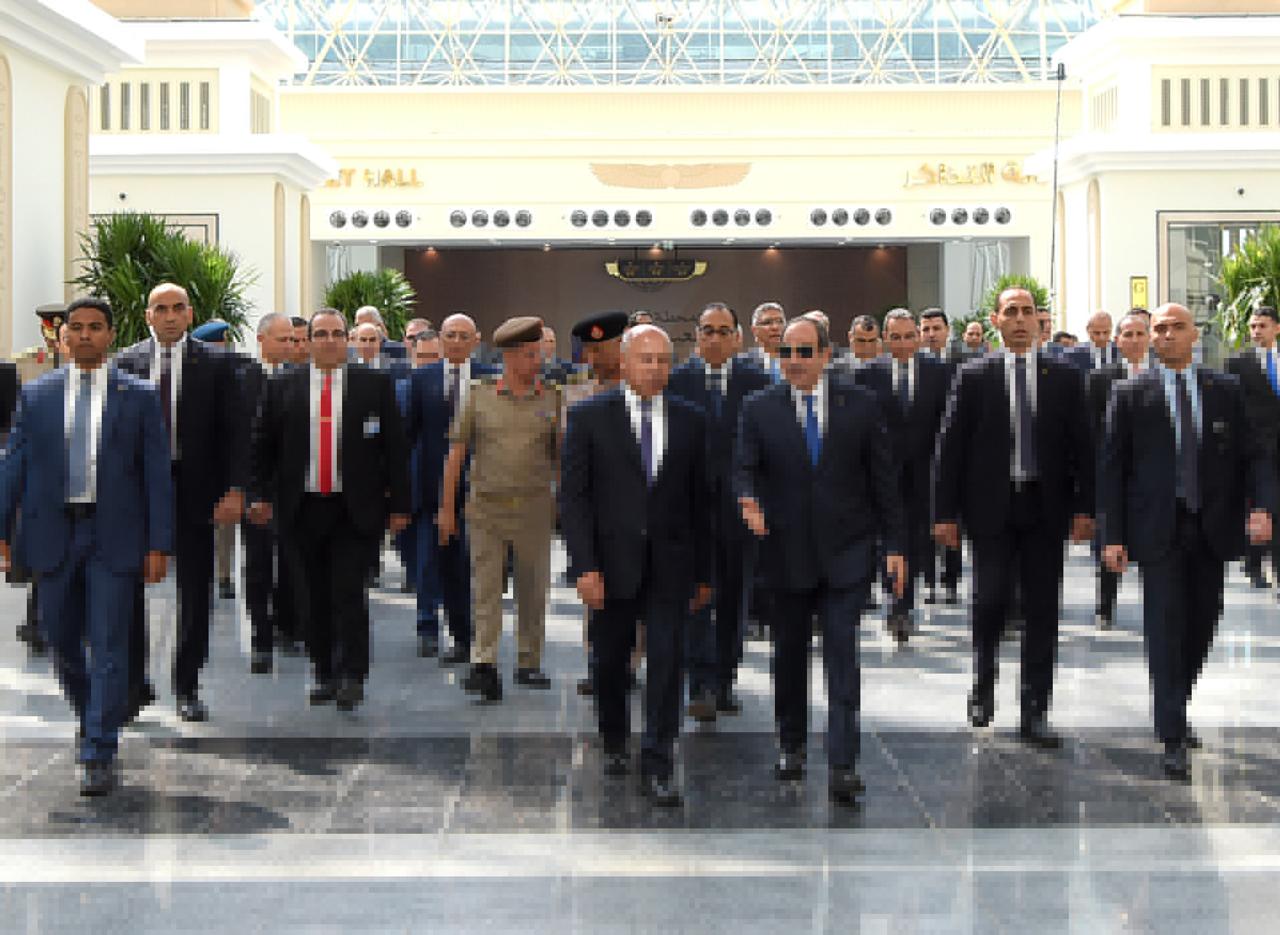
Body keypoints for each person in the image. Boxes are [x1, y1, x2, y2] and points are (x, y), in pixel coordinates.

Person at [0, 297, 173, 795]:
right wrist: (2, 531)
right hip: (53, 533)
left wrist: (158, 543)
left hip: (113, 535)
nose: (84, 335)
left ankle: (99, 748)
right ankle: (91, 713)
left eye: (95, 327)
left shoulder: (138, 396)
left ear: (110, 335)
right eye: (75, 328)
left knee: (111, 642)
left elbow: (156, 474)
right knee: (58, 638)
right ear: (62, 337)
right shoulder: (38, 395)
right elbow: (14, 466)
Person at [1100, 303, 1275, 780]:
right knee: (1164, 626)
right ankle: (1172, 733)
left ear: (1195, 335)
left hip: (1211, 527)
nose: (1168, 335)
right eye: (1160, 329)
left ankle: (1178, 699)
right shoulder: (1130, 394)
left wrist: (1261, 507)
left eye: (1177, 327)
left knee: (1202, 623)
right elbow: (1112, 468)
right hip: (1158, 528)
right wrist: (1112, 535)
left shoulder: (1225, 390)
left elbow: (1254, 454)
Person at [735, 316, 905, 805]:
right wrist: (747, 499)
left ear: (826, 355)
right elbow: (743, 468)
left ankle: (843, 762)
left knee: (842, 656)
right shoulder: (758, 407)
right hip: (786, 552)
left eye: (805, 352)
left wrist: (895, 546)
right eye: (787, 352)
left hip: (847, 552)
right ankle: (791, 744)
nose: (795, 361)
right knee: (789, 656)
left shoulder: (861, 405)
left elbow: (883, 481)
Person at [933, 287, 1094, 748]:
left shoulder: (1064, 377)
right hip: (991, 507)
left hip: (1046, 507)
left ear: (1040, 321)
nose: (1021, 320)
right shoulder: (974, 376)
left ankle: (1035, 708)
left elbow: (1084, 447)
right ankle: (983, 683)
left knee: (1042, 608)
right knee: (990, 600)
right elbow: (950, 447)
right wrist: (944, 513)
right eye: (1012, 312)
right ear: (996, 320)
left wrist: (1086, 508)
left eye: (1028, 312)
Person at [561, 324, 712, 806]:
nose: (655, 369)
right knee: (610, 663)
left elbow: (704, 501)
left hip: (672, 565)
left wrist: (705, 573)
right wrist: (584, 566)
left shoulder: (692, 420)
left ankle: (658, 760)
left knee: (668, 663)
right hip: (611, 565)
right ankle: (613, 739)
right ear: (624, 362)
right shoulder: (589, 417)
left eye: (663, 360)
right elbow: (575, 499)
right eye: (646, 359)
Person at [248, 308, 410, 711]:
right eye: (321, 334)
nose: (330, 341)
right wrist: (259, 495)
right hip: (301, 508)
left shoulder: (374, 385)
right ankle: (323, 671)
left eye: (337, 333)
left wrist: (400, 505)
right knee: (312, 596)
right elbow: (263, 445)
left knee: (348, 591)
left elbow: (395, 449)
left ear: (348, 339)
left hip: (354, 509)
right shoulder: (283, 385)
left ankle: (353, 674)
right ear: (307, 341)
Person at [113, 283, 247, 723]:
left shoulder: (216, 364)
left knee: (195, 589)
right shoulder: (125, 363)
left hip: (196, 490)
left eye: (178, 308)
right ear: (147, 315)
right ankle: (134, 684)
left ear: (190, 314)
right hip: (137, 493)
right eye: (161, 308)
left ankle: (187, 684)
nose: (169, 316)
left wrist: (235, 489)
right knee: (129, 588)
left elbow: (235, 431)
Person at [438, 317, 561, 702]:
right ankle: (484, 663)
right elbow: (456, 455)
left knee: (533, 589)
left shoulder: (553, 398)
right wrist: (446, 509)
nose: (537, 361)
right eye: (528, 355)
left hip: (534, 510)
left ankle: (529, 661)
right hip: (486, 510)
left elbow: (561, 458)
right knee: (486, 589)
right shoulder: (479, 395)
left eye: (538, 353)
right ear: (508, 356)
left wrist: (566, 506)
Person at [667, 302, 771, 722]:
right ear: (696, 336)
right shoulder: (677, 381)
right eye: (706, 330)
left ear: (736, 338)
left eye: (722, 330)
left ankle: (725, 678)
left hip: (738, 509)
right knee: (696, 595)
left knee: (733, 597)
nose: (714, 338)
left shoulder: (757, 382)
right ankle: (700, 683)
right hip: (689, 511)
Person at [401, 313, 497, 662]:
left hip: (480, 486)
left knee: (472, 567)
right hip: (431, 487)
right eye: (450, 334)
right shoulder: (421, 379)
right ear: (440, 338)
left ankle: (468, 636)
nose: (456, 341)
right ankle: (427, 626)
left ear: (477, 340)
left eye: (463, 335)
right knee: (429, 561)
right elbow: (408, 435)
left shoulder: (490, 378)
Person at [852, 309, 950, 643]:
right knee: (888, 539)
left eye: (909, 336)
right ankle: (894, 600)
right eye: (896, 337)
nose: (904, 343)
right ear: (884, 339)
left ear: (918, 337)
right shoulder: (867, 374)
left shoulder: (939, 372)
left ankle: (904, 603)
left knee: (917, 540)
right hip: (882, 473)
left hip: (925, 472)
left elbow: (946, 424)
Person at [563, 310, 629, 696]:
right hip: (594, 514)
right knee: (596, 593)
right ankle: (598, 664)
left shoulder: (647, 391)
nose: (593, 358)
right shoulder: (578, 394)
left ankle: (631, 662)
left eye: (600, 350)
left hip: (636, 512)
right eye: (589, 351)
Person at [240, 313, 300, 673]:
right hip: (256, 489)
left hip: (293, 490)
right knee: (259, 564)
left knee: (292, 562)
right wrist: (246, 491)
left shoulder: (299, 379)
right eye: (283, 339)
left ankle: (287, 626)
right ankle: (260, 636)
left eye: (292, 339)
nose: (290, 346)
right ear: (262, 339)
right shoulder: (242, 379)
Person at [1084, 312, 1152, 629]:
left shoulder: (1163, 374)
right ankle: (1105, 605)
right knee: (1110, 540)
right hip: (1113, 472)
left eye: (1140, 334)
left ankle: (1155, 604)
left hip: (1151, 473)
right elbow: (1091, 428)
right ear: (1117, 340)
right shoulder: (1101, 379)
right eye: (1128, 335)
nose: (1135, 341)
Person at [1224, 306, 1280, 592]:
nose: (1257, 331)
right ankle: (1255, 564)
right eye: (1253, 326)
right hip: (1255, 446)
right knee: (1260, 505)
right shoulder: (1238, 364)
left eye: (1263, 325)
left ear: (1277, 328)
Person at [191, 319, 238, 602]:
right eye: (221, 342)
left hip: (221, 464)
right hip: (195, 465)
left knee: (224, 528)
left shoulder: (232, 373)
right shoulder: (189, 377)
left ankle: (223, 575)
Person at [747, 301, 786, 380]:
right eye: (767, 322)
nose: (775, 327)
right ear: (754, 330)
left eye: (780, 322)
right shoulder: (745, 366)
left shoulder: (795, 363)